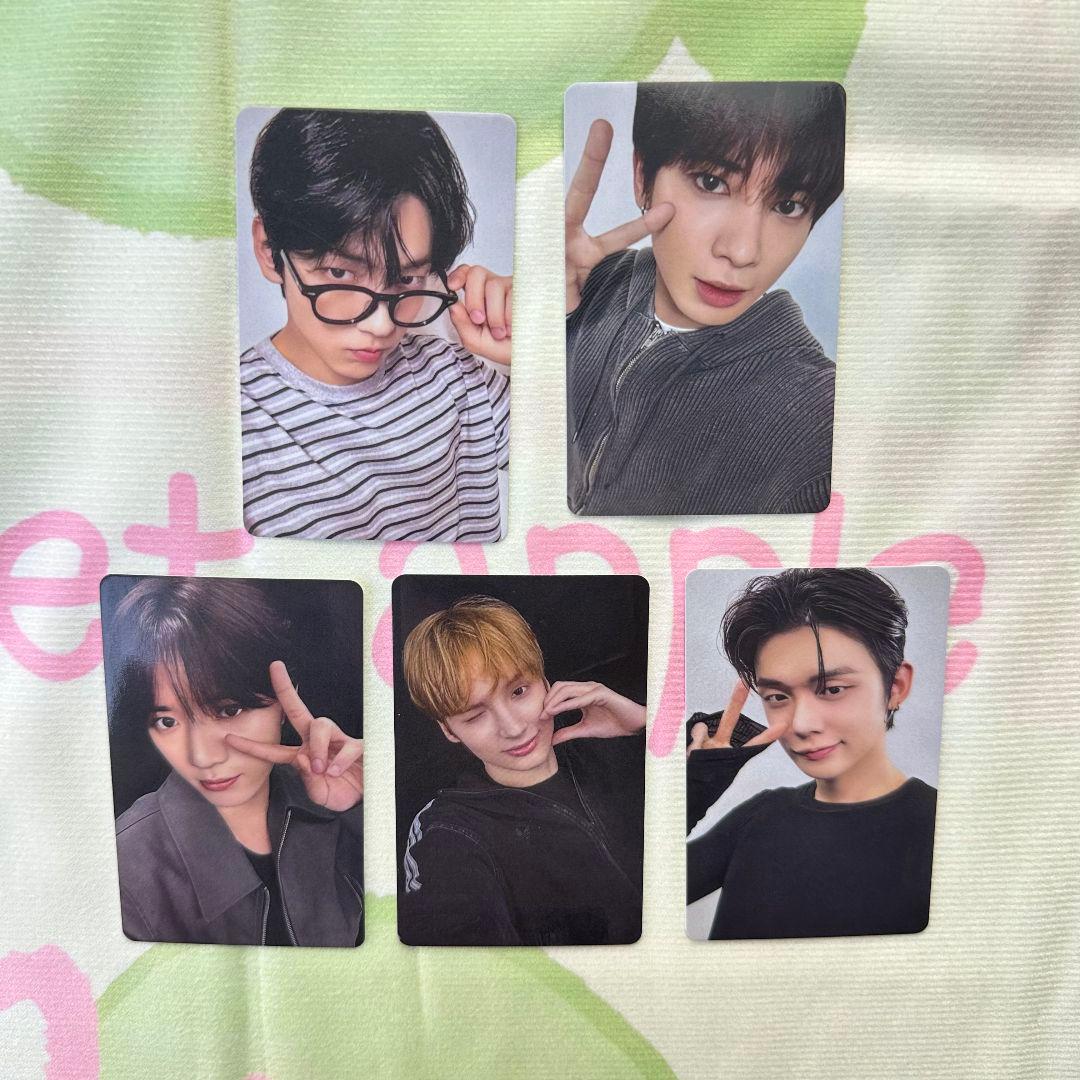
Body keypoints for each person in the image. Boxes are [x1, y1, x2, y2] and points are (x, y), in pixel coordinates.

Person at [565, 82, 845, 515]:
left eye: (788, 206)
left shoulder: (816, 418)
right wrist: (533, 320)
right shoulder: (584, 287)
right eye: (711, 182)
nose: (742, 251)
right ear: (642, 178)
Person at [241, 108, 512, 543]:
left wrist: (554, 339)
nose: (382, 324)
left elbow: (593, 472)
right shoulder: (233, 429)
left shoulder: (456, 372)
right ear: (269, 250)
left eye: (407, 279)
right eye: (340, 274)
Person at [105, 577, 364, 947]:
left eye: (229, 710)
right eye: (167, 721)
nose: (202, 757)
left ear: (285, 699)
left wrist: (366, 803)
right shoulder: (127, 867)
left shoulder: (343, 802)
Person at [686, 568, 937, 939]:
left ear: (896, 686)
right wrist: (695, 785)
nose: (801, 724)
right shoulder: (761, 816)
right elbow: (637, 895)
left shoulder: (944, 827)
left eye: (832, 689)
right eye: (777, 696)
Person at [398, 595, 645, 946]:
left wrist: (643, 725)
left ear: (543, 679)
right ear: (449, 730)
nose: (513, 728)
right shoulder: (448, 834)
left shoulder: (616, 747)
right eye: (475, 716)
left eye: (518, 691)